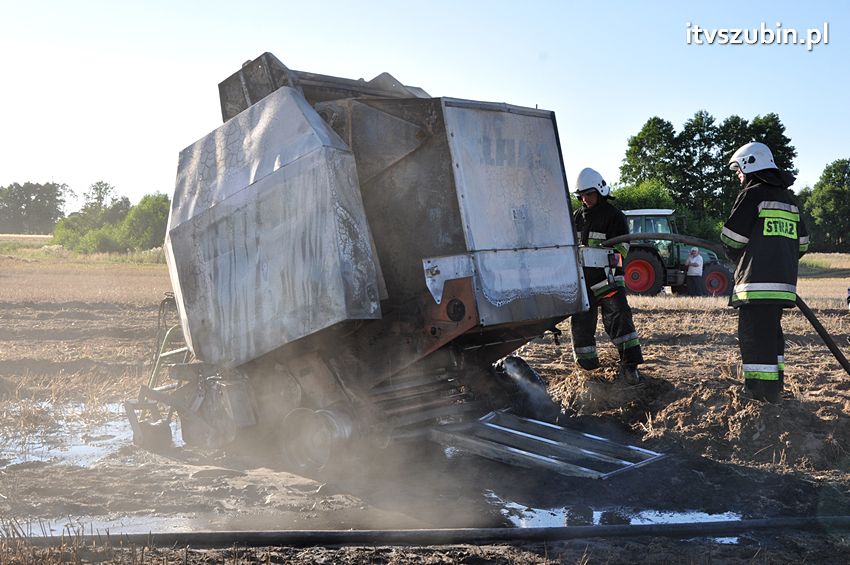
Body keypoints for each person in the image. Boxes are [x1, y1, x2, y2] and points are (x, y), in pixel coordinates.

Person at [721, 141, 808, 403]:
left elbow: (732, 239)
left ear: (750, 165)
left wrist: (745, 255)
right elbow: (802, 244)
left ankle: (759, 394)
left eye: (738, 171)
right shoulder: (789, 200)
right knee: (771, 337)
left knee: (753, 338)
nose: (738, 177)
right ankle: (774, 390)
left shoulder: (752, 194)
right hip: (782, 286)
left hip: (755, 285)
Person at [570, 167, 644, 383]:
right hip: (583, 281)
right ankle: (588, 371)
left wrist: (599, 254)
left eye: (589, 194)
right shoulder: (577, 217)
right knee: (581, 325)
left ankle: (630, 367)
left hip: (607, 278)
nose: (585, 199)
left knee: (619, 320)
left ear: (600, 192)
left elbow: (622, 249)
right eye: (582, 195)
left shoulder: (614, 216)